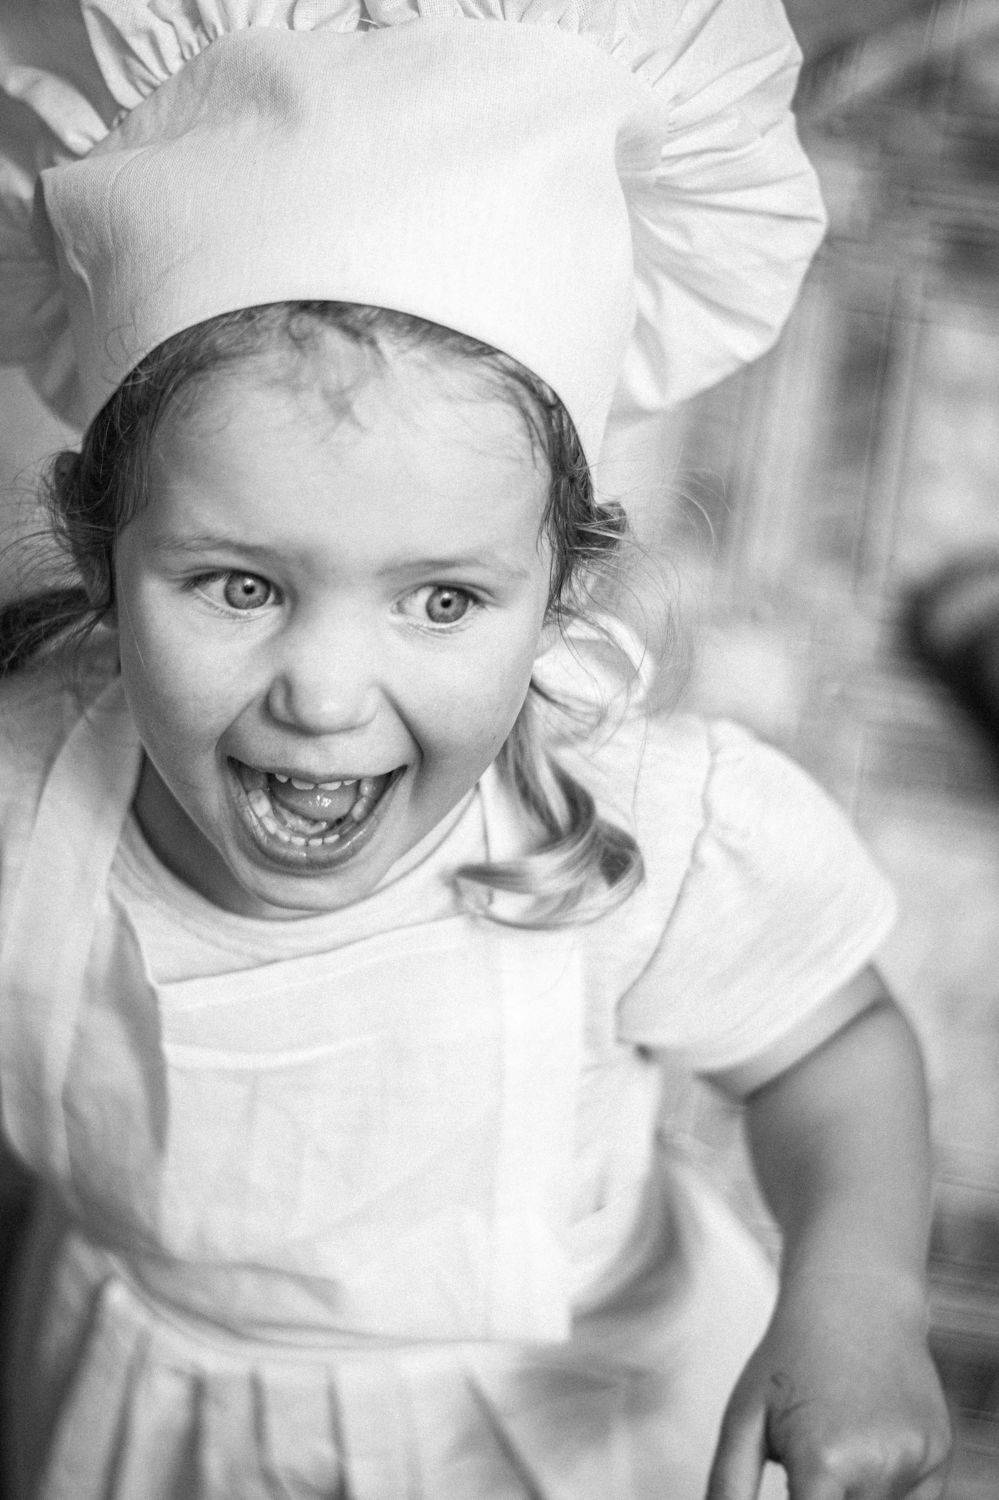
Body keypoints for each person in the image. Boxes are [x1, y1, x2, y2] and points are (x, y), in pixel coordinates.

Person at [0, 1, 951, 1496]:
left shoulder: (639, 837)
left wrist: (861, 1300)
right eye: (238, 586)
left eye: (442, 600)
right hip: (144, 1411)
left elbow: (831, 1050)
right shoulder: (21, 797)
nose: (325, 696)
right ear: (100, 554)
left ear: (559, 593)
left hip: (573, 1425)